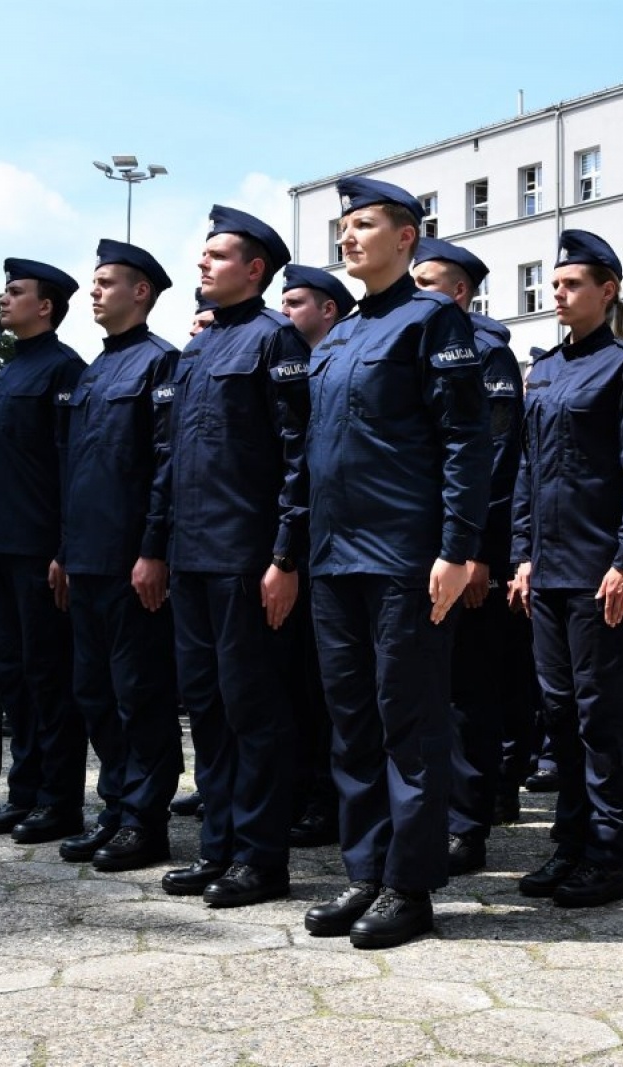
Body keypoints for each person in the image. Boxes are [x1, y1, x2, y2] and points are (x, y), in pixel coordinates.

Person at [301, 176, 490, 949]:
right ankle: (366, 871)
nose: (347, 237)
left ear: (406, 238)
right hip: (333, 557)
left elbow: (465, 441)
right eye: (343, 226)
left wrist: (456, 548)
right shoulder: (340, 334)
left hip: (403, 557)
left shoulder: (433, 320)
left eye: (364, 225)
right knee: (351, 723)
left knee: (407, 724)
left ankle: (409, 886)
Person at [146, 206, 310, 904]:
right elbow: (170, 458)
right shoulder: (199, 348)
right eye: (204, 254)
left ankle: (260, 859)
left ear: (254, 268)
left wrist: (285, 557)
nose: (202, 263)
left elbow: (299, 455)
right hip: (191, 557)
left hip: (247, 560)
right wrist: (155, 547)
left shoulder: (276, 339)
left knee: (254, 711)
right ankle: (219, 848)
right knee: (208, 711)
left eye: (216, 255)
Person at [509, 229, 623, 906]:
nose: (558, 294)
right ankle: (570, 843)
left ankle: (607, 855)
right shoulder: (546, 370)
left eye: (572, 284)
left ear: (608, 291)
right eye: (555, 284)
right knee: (560, 713)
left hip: (603, 573)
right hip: (549, 573)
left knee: (604, 716)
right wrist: (522, 555)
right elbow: (527, 469)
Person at [60, 239, 183, 871]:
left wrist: (153, 549)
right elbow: (77, 469)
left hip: (132, 561)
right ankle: (114, 808)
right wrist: (63, 550)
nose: (93, 292)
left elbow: (166, 465)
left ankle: (144, 820)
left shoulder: (161, 363)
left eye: (106, 282)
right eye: (94, 282)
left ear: (141, 292)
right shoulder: (92, 370)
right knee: (94, 693)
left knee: (141, 693)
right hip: (86, 556)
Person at [410, 236, 525, 875]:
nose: (415, 291)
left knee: (467, 694)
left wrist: (478, 551)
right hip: (414, 546)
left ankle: (466, 826)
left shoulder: (486, 351)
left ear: (459, 292)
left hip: (467, 550)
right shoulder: (409, 342)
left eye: (426, 282)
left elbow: (497, 460)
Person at [0, 259, 88, 842]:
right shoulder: (8, 372)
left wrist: (64, 547)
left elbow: (72, 464)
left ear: (45, 306)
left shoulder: (63, 368)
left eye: (15, 292)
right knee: (11, 675)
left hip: (38, 548)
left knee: (48, 677)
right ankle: (24, 792)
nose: (4, 299)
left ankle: (58, 800)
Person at [276, 263, 357, 849]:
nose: (285, 312)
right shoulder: (293, 366)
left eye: (296, 302)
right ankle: (304, 791)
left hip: (335, 549)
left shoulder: (341, 366)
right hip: (296, 549)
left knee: (333, 691)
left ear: (329, 310)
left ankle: (328, 801)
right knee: (298, 686)